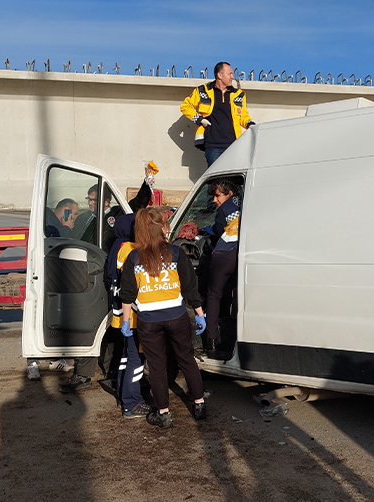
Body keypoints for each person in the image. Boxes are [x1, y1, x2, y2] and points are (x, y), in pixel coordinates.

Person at [61, 174, 154, 394]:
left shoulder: (115, 216)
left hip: (108, 279)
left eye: (94, 200)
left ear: (106, 201)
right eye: (89, 199)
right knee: (91, 324)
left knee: (109, 326)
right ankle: (84, 372)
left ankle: (110, 370)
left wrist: (147, 184)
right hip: (89, 275)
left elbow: (135, 206)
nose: (90, 203)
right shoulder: (85, 218)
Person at [119, 207, 207, 428]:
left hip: (148, 321)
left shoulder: (134, 257)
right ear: (163, 228)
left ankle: (164, 413)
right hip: (177, 316)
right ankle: (199, 404)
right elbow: (190, 288)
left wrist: (127, 320)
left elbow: (127, 293)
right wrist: (199, 314)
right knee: (187, 359)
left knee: (157, 367)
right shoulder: (176, 253)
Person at [105, 213, 150, 418]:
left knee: (126, 355)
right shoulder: (132, 250)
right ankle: (131, 403)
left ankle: (125, 393)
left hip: (121, 314)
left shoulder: (118, 247)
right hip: (133, 315)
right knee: (136, 357)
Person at [180, 61, 255, 166]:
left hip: (234, 145)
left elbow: (243, 115)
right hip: (213, 146)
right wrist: (199, 120)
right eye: (230, 74)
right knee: (216, 181)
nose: (232, 77)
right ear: (220, 75)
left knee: (234, 180)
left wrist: (250, 124)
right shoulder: (203, 90)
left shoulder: (239, 94)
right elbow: (185, 106)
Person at [202, 179, 241, 356]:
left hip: (224, 254)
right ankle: (231, 335)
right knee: (232, 294)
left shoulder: (224, 210)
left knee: (214, 295)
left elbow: (218, 231)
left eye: (218, 196)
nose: (215, 200)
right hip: (239, 253)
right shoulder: (244, 203)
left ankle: (210, 341)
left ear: (229, 193)